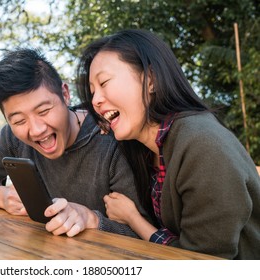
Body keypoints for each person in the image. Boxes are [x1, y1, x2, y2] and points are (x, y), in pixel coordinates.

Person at [76, 29, 260, 259]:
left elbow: (201, 262)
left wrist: (135, 220)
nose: (95, 101)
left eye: (104, 82)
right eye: (92, 92)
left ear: (151, 79)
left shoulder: (203, 147)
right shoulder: (148, 150)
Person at [0, 48, 151, 238]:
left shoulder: (113, 139)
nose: (36, 129)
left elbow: (142, 232)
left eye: (44, 111)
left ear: (65, 94)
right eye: (19, 121)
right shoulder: (13, 138)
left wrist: (92, 219)